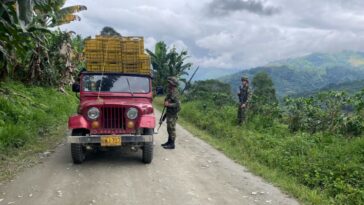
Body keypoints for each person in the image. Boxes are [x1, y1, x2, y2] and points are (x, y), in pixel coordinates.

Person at [161, 77, 181, 149]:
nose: (168, 84)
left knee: (171, 128)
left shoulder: (175, 92)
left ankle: (172, 144)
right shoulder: (171, 91)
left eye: (170, 83)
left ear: (173, 84)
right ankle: (169, 142)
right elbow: (168, 100)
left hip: (173, 113)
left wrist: (168, 104)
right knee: (169, 128)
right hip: (169, 112)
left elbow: (177, 104)